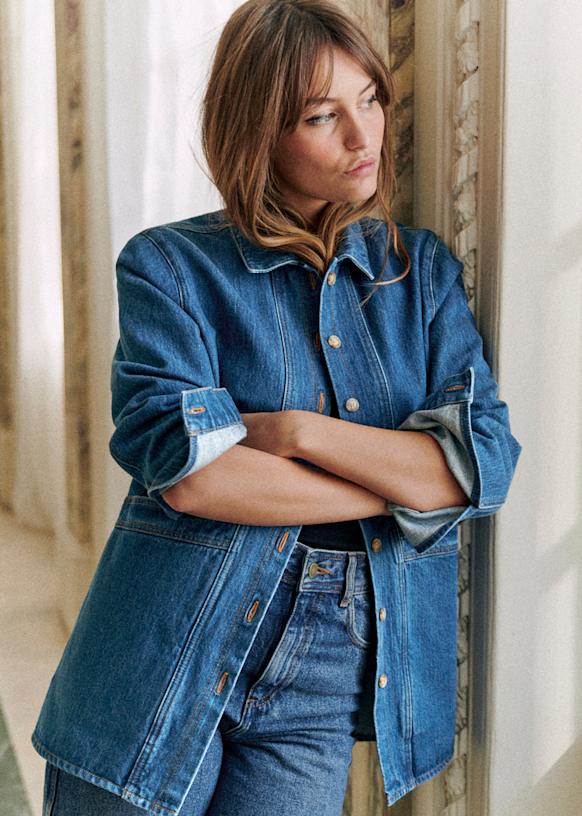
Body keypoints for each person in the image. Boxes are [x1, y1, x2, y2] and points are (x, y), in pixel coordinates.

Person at [33, 1, 522, 815]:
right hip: (166, 642)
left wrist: (297, 433)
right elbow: (197, 478)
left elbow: (480, 468)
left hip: (326, 674)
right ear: (258, 133)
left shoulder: (423, 277)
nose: (364, 136)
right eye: (322, 116)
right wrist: (399, 488)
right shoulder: (171, 268)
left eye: (370, 99)